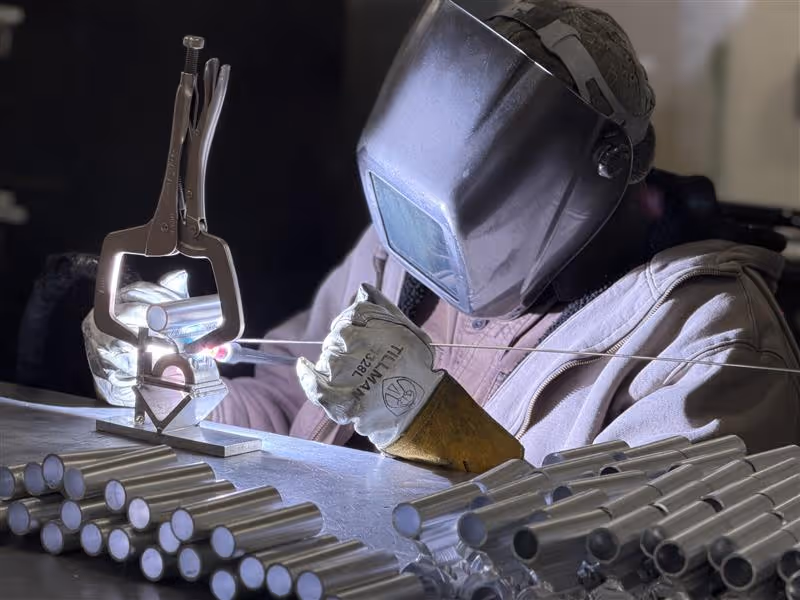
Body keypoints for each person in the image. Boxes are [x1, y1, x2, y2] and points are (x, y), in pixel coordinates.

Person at [83, 0, 800, 469]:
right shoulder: (409, 244)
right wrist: (186, 394)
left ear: (605, 173)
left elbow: (623, 564)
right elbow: (283, 397)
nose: (422, 255)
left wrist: (431, 427)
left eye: (471, 222)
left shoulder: (708, 339)